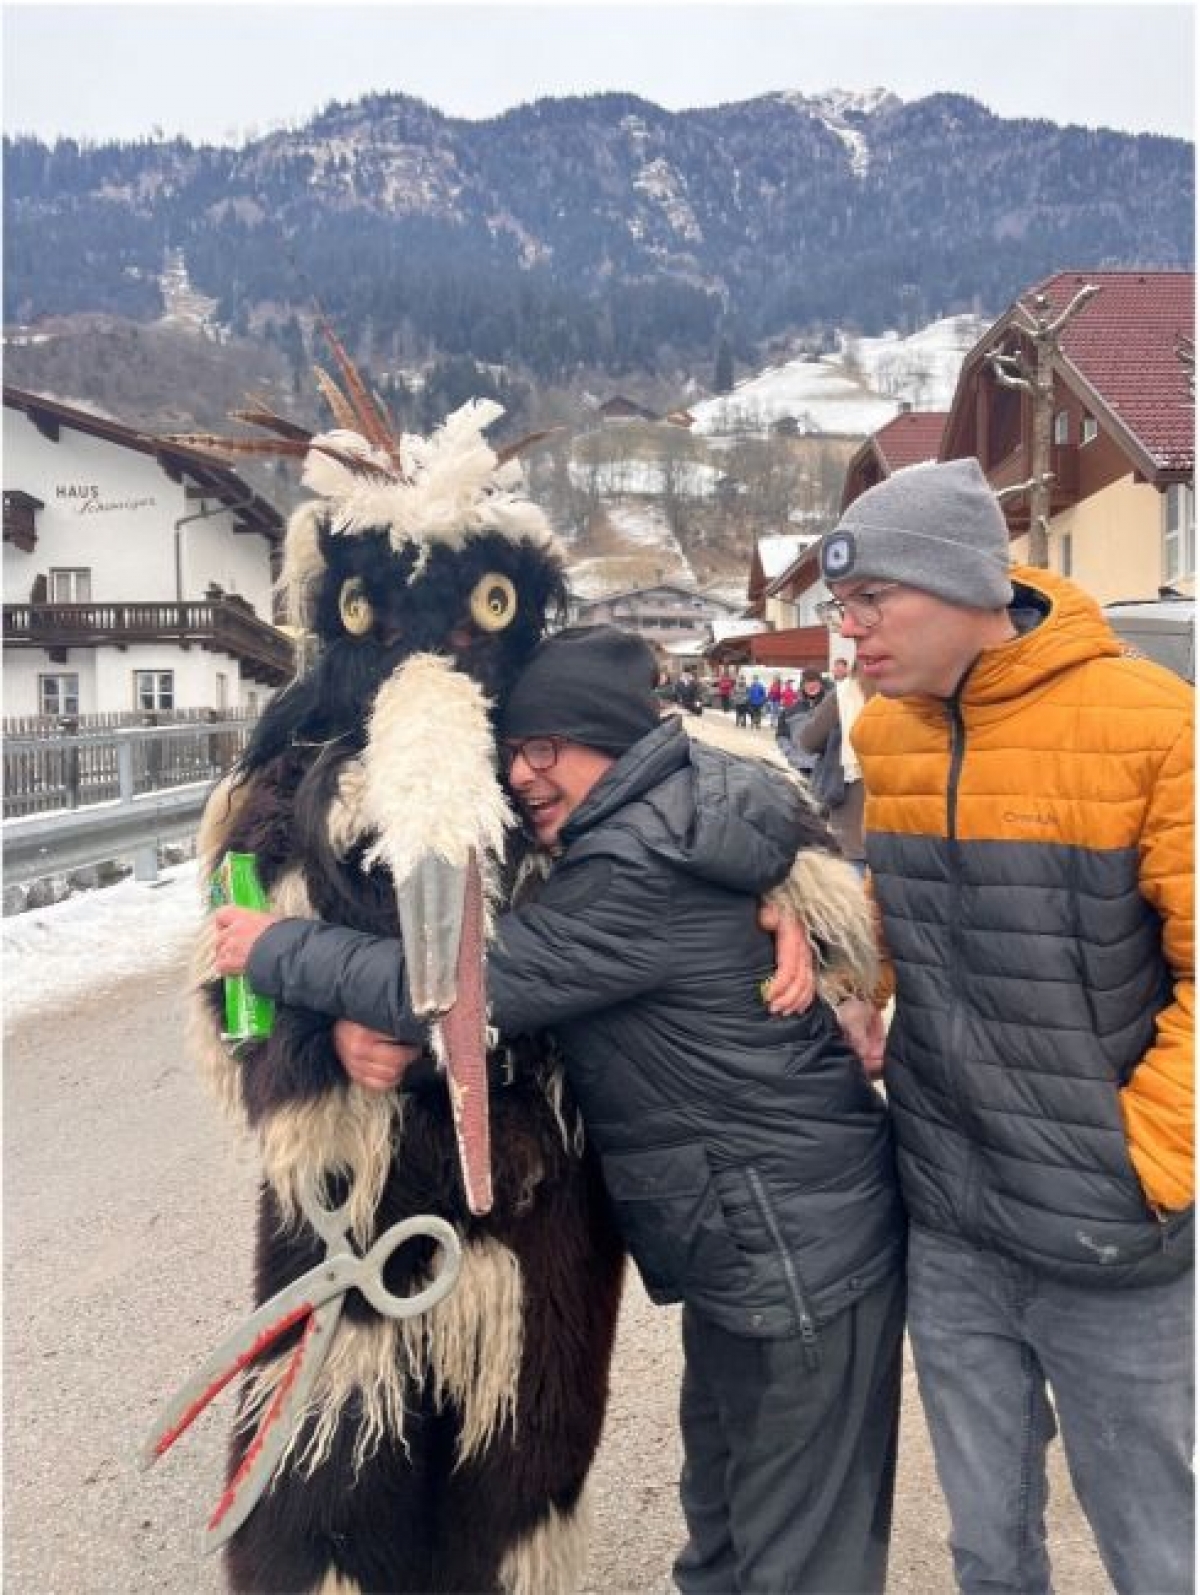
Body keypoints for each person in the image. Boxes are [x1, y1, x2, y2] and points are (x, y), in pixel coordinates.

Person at [215, 625, 907, 1595]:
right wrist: (316, 1039)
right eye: (513, 750)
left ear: (615, 736)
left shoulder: (636, 862)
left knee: (796, 1542)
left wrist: (272, 949)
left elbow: (469, 988)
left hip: (795, 1247)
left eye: (547, 746)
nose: (523, 773)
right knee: (724, 1511)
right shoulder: (670, 821)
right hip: (748, 1243)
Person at [817, 456, 1194, 1595]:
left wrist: (1147, 1156)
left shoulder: (1154, 725)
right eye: (841, 604)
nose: (850, 629)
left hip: (1110, 1230)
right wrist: (858, 982)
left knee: (1157, 1548)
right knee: (987, 1547)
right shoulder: (889, 734)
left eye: (872, 598)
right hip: (951, 1219)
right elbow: (895, 904)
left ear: (964, 586)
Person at [794, 655, 875, 873]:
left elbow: (808, 741)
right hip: (904, 827)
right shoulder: (912, 692)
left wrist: (834, 741)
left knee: (852, 873)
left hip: (852, 810)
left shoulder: (844, 694)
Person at [774, 668, 828, 776]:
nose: (811, 686)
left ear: (821, 684)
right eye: (808, 682)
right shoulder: (790, 710)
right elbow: (782, 736)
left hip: (824, 769)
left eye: (815, 682)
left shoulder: (830, 708)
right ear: (802, 685)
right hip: (799, 767)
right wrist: (790, 753)